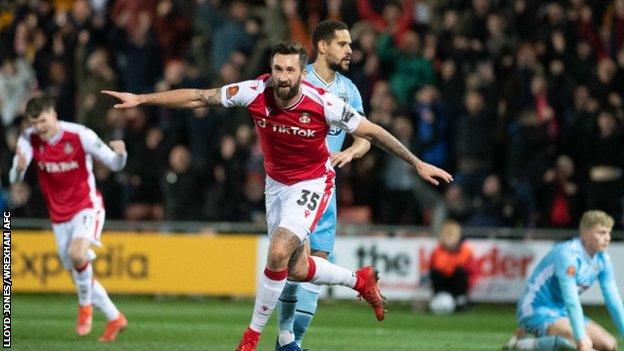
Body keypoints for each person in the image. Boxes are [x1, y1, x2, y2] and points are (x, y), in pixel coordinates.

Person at [102, 41, 453, 351]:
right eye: (277, 69)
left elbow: (373, 131)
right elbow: (201, 96)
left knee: (278, 251)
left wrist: (417, 162)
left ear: (302, 72)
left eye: (289, 70)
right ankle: (358, 280)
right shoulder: (254, 90)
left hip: (313, 182)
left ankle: (250, 338)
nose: (282, 76)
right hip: (276, 185)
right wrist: (142, 99)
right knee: (296, 270)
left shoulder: (324, 103)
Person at [274, 20, 371, 351]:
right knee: (293, 263)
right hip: (294, 185)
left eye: (350, 44)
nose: (350, 50)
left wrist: (351, 152)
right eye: (343, 44)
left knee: (319, 260)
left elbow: (365, 138)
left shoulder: (349, 90)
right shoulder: (297, 81)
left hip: (326, 189)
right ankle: (285, 334)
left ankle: (293, 341)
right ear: (323, 46)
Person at [9, 95, 129, 342]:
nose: (40, 127)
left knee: (77, 255)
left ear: (53, 114)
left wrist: (121, 155)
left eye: (43, 121)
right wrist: (19, 169)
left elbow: (114, 164)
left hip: (86, 206)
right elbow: (14, 179)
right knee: (78, 269)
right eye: (35, 123)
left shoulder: (79, 134)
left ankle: (84, 307)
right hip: (58, 216)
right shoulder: (29, 138)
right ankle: (114, 317)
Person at [504, 210, 624, 351]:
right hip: (535, 309)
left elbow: (613, 299)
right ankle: (521, 345)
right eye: (601, 233)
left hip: (562, 312)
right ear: (585, 234)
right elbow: (571, 300)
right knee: (577, 342)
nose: (607, 238)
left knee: (609, 345)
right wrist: (581, 339)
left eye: (608, 232)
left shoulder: (603, 259)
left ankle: (535, 337)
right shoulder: (568, 255)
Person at [428, 219, 475, 312]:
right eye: (446, 236)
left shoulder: (466, 251)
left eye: (452, 236)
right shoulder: (437, 251)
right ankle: (439, 297)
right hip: (443, 283)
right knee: (435, 272)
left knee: (460, 272)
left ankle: (460, 300)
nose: (449, 239)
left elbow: (472, 271)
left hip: (457, 283)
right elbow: (433, 267)